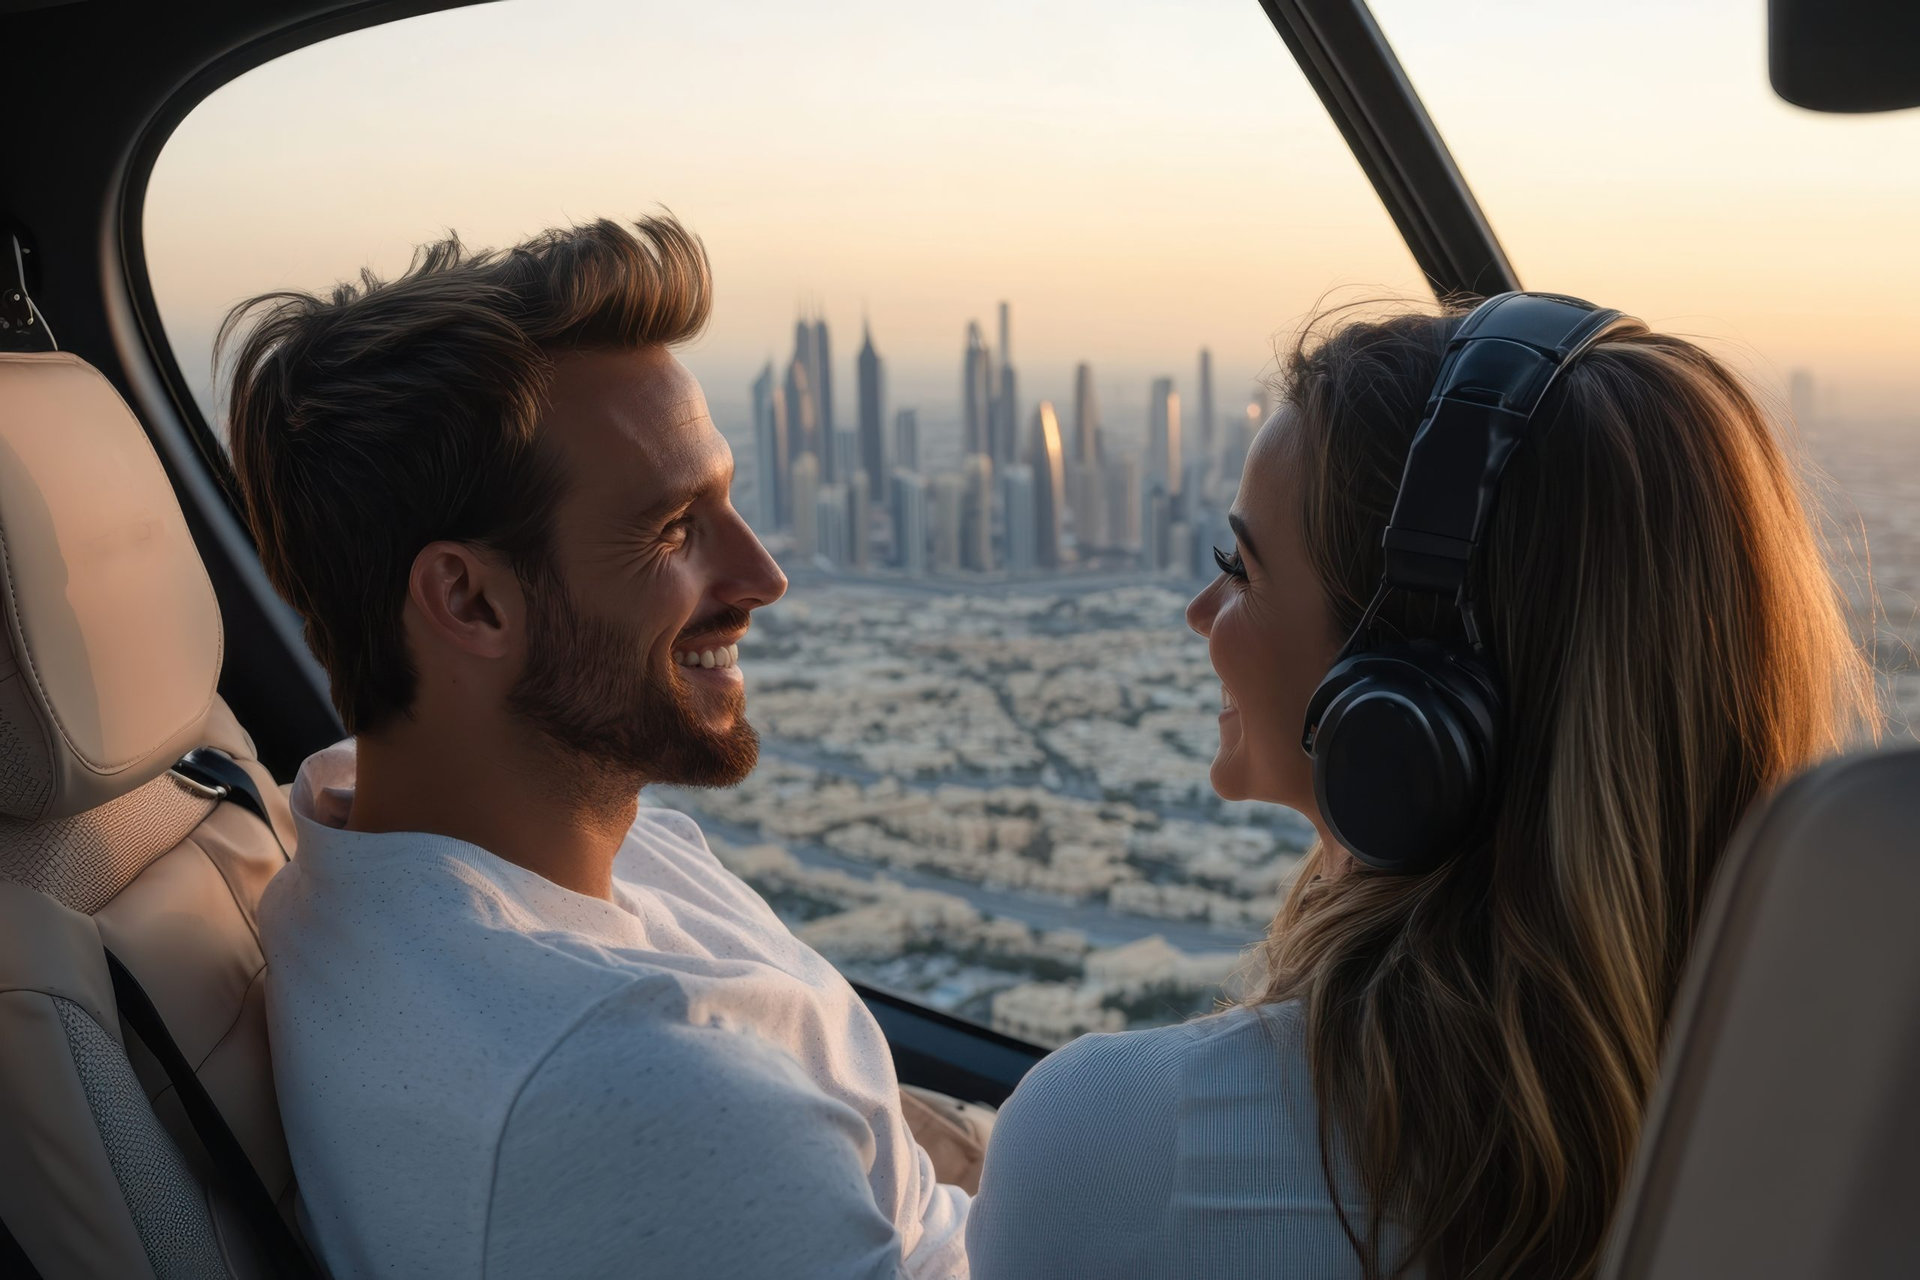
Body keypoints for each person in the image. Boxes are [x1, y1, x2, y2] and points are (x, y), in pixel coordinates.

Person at [966, 299, 1875, 1279]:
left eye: (1241, 568)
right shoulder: (1852, 1148)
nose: (1200, 611)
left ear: (1398, 698)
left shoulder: (1116, 1142)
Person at [223, 216, 972, 1279]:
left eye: (726, 501)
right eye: (674, 527)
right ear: (470, 599)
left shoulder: (378, 854)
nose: (762, 576)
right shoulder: (641, 1092)